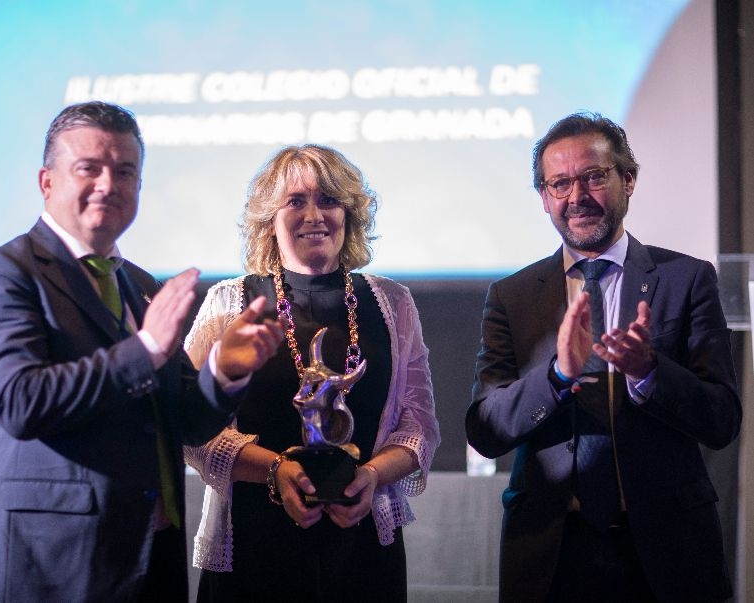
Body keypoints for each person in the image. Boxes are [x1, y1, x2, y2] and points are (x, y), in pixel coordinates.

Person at [0, 101, 284, 601]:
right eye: (89, 168)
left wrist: (223, 371)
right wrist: (146, 347)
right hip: (49, 566)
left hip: (150, 560)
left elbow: (181, 422)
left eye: (125, 172)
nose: (109, 184)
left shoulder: (140, 285)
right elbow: (21, 403)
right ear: (46, 181)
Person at [467, 112, 741, 602]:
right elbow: (487, 429)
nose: (577, 197)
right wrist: (556, 376)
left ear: (628, 180)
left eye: (594, 176)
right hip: (550, 553)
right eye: (560, 183)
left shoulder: (686, 279)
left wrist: (649, 373)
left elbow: (721, 419)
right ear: (544, 197)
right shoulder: (512, 295)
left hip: (668, 550)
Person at [183, 144, 440, 602]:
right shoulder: (228, 303)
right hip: (253, 544)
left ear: (350, 213)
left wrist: (374, 477)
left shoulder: (394, 303)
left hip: (361, 547)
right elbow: (191, 427)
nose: (314, 215)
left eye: (328, 199)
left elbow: (419, 426)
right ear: (269, 219)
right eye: (295, 201)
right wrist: (275, 471)